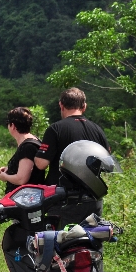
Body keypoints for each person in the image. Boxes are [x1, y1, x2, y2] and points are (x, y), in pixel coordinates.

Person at [0, 107, 47, 272]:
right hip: (29, 208)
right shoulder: (32, 143)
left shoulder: (28, 145)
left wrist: (5, 176)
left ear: (12, 126)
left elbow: (23, 178)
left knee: (26, 254)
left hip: (29, 211)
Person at [34, 87, 110, 227]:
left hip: (63, 200)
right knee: (91, 240)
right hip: (92, 199)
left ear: (61, 105)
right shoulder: (97, 130)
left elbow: (41, 164)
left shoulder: (56, 129)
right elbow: (106, 161)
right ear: (84, 106)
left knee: (62, 243)